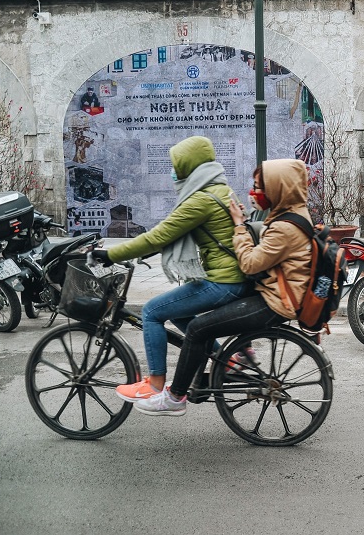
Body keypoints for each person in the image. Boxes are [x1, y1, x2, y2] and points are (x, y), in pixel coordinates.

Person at [133, 159, 314, 416]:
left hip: (276, 302)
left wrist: (239, 225)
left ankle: (174, 398)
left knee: (197, 329)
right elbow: (266, 249)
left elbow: (251, 263)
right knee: (198, 319)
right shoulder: (291, 213)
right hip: (277, 292)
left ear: (278, 188)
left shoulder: (285, 226)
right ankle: (230, 361)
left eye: (260, 187)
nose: (254, 192)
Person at [92, 136, 253, 402]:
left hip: (224, 282)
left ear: (188, 166)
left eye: (176, 165)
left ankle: (155, 384)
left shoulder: (201, 200)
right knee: (179, 313)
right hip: (234, 278)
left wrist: (110, 254)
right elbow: (170, 235)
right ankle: (226, 360)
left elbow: (157, 236)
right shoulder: (221, 190)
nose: (173, 171)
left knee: (152, 311)